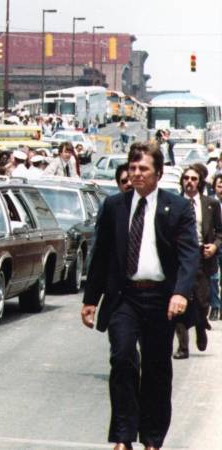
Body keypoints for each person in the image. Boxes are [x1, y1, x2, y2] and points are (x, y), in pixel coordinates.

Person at [81, 142, 198, 449]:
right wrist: (90, 300)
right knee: (121, 359)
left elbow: (189, 256)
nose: (136, 174)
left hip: (161, 299)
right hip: (125, 298)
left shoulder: (178, 208)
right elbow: (102, 256)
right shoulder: (114, 206)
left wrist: (180, 293)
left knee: (157, 368)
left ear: (158, 173)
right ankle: (122, 436)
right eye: (132, 168)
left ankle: (152, 438)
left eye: (143, 168)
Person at [173, 164, 222, 359]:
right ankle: (183, 347)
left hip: (203, 257)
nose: (189, 182)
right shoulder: (174, 203)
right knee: (179, 300)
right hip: (181, 258)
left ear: (199, 182)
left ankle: (201, 325)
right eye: (186, 179)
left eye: (194, 179)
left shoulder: (211, 204)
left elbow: (220, 231)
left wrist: (215, 246)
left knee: (202, 301)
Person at [211, 173, 222, 321]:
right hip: (214, 244)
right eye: (220, 186)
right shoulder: (211, 203)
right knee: (213, 277)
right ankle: (215, 305)